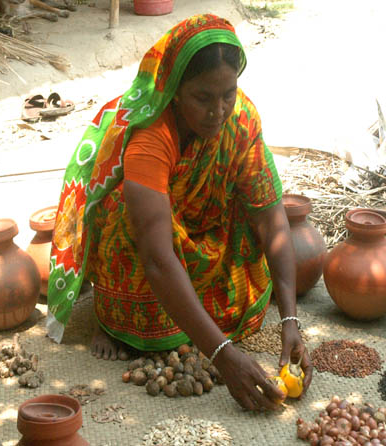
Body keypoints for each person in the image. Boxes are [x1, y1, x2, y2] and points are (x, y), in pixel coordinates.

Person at [47, 14, 312, 411]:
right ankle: (114, 320)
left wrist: (290, 322)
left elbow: (269, 217)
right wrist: (222, 355)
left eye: (228, 93)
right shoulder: (151, 135)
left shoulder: (241, 119)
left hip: (198, 229)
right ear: (174, 90)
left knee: (248, 202)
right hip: (149, 241)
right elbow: (156, 257)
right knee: (123, 212)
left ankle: (195, 322)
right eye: (202, 97)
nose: (218, 111)